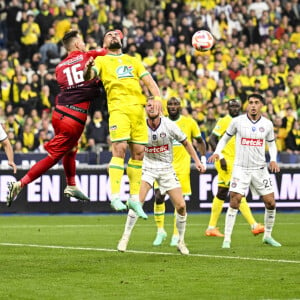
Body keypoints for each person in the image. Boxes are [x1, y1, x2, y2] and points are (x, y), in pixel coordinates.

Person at [6, 30, 107, 207]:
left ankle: (71, 184)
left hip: (58, 114)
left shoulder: (59, 68)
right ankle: (20, 184)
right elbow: (109, 53)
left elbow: (70, 87)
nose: (84, 44)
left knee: (71, 148)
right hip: (74, 118)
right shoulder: (88, 56)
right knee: (53, 156)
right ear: (77, 45)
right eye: (82, 42)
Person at [117, 98, 206, 255]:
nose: (151, 108)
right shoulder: (140, 126)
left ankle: (181, 241)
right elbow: (127, 143)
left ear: (160, 109)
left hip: (166, 168)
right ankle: (125, 237)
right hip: (147, 167)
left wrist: (197, 161)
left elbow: (186, 142)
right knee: (138, 202)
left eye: (154, 105)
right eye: (148, 105)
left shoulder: (169, 125)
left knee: (181, 206)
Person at [92, 29, 162, 211]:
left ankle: (133, 199)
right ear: (104, 44)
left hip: (138, 112)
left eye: (116, 35)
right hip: (118, 109)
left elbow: (150, 82)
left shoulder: (133, 61)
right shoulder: (101, 60)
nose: (114, 36)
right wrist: (87, 70)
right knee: (120, 148)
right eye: (109, 35)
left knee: (139, 153)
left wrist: (157, 98)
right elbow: (90, 75)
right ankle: (115, 196)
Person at [208, 93, 281, 248]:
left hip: (260, 168)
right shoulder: (237, 122)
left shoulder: (267, 124)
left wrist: (273, 159)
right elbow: (224, 138)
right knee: (235, 200)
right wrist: (218, 152)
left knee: (271, 203)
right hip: (240, 168)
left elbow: (272, 144)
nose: (253, 105)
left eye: (256, 103)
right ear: (247, 105)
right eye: (251, 103)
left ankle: (267, 236)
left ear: (261, 105)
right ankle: (227, 239)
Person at [205, 99, 265, 237]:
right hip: (225, 161)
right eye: (231, 106)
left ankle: (211, 227)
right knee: (238, 192)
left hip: (238, 161)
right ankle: (254, 225)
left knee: (221, 192)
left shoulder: (244, 121)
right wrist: (220, 156)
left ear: (240, 107)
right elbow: (212, 139)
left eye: (236, 105)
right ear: (227, 108)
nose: (234, 108)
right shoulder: (224, 120)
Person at [152, 97, 207, 247]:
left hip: (181, 168)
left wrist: (202, 159)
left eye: (176, 104)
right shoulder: (159, 122)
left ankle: (176, 234)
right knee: (158, 196)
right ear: (166, 107)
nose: (173, 106)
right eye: (170, 104)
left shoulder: (189, 122)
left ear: (180, 106)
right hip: (163, 166)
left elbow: (200, 141)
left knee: (179, 203)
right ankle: (160, 230)